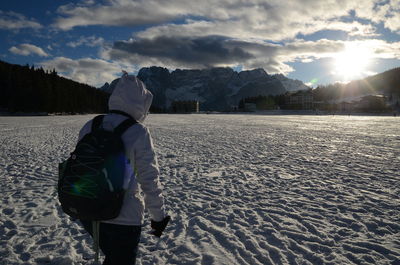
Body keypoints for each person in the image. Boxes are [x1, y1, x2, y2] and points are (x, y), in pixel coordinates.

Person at [77, 73, 170, 265]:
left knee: (112, 256)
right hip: (123, 216)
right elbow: (149, 178)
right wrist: (158, 217)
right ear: (141, 104)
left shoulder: (91, 124)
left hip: (88, 209)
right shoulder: (138, 131)